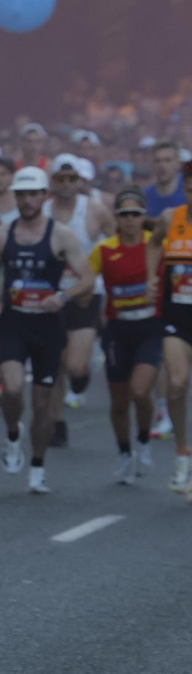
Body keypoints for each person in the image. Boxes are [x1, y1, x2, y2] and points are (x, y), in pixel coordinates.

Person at [0, 167, 94, 494]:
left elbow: (88, 277)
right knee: (13, 388)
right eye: (22, 194)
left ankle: (37, 466)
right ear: (16, 197)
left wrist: (63, 296)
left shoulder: (61, 235)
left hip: (48, 328)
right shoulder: (2, 235)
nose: (27, 200)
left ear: (43, 196)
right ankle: (12, 434)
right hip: (14, 324)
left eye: (33, 194)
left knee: (44, 404)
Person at [42, 154, 113, 447]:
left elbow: (119, 243)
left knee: (75, 366)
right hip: (50, 298)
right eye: (61, 179)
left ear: (80, 182)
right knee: (55, 363)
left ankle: (81, 378)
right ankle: (58, 423)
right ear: (53, 183)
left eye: (72, 179)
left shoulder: (94, 211)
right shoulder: (42, 211)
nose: (67, 185)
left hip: (85, 295)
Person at [92, 189, 161, 483]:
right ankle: (124, 453)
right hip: (118, 331)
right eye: (124, 215)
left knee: (140, 391)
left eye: (135, 214)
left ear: (144, 216)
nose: (130, 220)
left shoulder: (157, 245)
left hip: (151, 328)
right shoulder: (105, 249)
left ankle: (144, 440)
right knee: (119, 403)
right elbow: (83, 275)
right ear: (116, 218)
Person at [151, 172, 192, 494]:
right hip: (176, 315)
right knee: (176, 384)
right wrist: (154, 276)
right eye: (190, 191)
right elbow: (152, 242)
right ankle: (181, 453)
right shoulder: (170, 217)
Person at [143, 139, 187, 217]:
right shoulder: (145, 196)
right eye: (157, 161)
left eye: (168, 160)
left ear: (178, 163)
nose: (162, 166)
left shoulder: (188, 192)